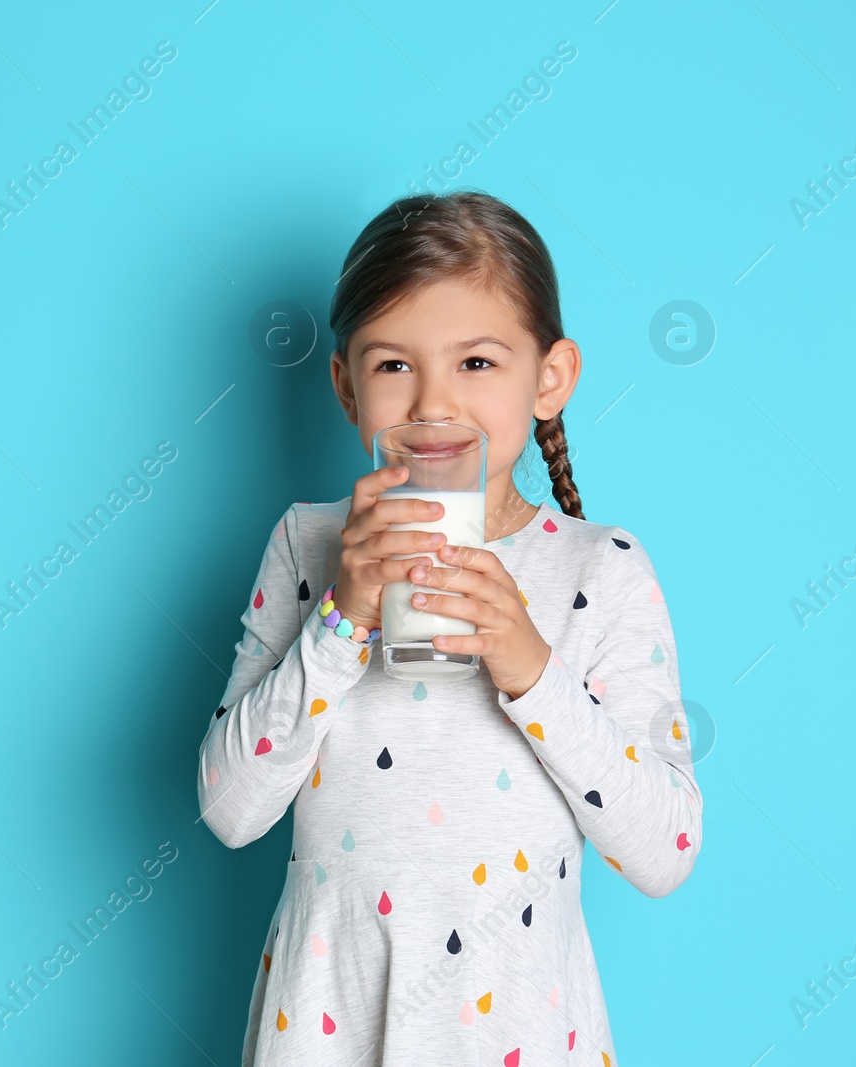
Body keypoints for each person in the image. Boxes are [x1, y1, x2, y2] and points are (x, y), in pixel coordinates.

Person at [196, 190, 702, 1067]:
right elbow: (230, 810)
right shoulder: (308, 543)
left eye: (475, 362)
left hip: (520, 1028)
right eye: (394, 366)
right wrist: (341, 615)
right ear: (347, 385)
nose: (433, 405)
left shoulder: (602, 568)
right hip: (330, 1023)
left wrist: (532, 667)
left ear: (549, 378)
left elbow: (665, 852)